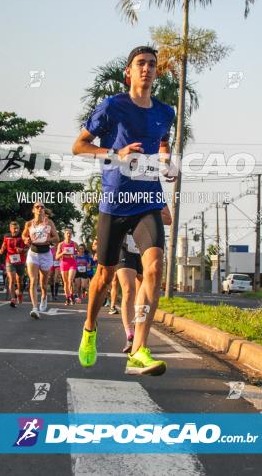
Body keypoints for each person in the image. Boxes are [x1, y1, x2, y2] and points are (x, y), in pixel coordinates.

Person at [72, 45, 177, 376]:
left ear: (156, 73)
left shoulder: (165, 112)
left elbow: (162, 142)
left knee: (155, 270)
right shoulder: (113, 106)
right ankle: (89, 329)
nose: (146, 69)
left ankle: (139, 349)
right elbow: (79, 146)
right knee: (103, 278)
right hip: (116, 200)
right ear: (128, 72)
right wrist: (114, 153)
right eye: (140, 64)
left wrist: (166, 161)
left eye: (151, 64)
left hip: (148, 200)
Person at [115, 205, 171, 353]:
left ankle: (138, 332)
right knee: (128, 290)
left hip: (144, 249)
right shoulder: (121, 188)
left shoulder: (152, 189)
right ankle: (130, 335)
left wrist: (148, 215)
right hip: (124, 247)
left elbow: (168, 218)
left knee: (142, 293)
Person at [22, 202, 60, 319]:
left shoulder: (49, 223)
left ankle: (44, 296)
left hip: (45, 254)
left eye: (42, 207)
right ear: (33, 210)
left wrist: (48, 240)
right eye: (37, 207)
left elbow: (57, 239)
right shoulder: (28, 224)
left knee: (43, 284)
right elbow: (23, 236)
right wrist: (26, 240)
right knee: (33, 280)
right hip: (33, 254)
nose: (40, 208)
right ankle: (34, 308)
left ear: (44, 210)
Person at [0, 221, 26, 307]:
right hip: (10, 260)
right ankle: (13, 299)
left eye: (17, 228)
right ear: (10, 229)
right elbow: (4, 244)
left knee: (20, 280)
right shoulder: (7, 236)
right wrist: (2, 249)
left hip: (21, 261)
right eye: (14, 228)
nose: (16, 230)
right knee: (12, 279)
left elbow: (28, 248)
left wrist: (22, 250)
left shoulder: (22, 236)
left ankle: (20, 293)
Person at [55, 229, 78, 305]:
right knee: (65, 282)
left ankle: (72, 295)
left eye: (70, 233)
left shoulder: (74, 244)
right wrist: (63, 253)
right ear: (64, 235)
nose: (69, 235)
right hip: (64, 264)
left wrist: (74, 255)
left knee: (70, 280)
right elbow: (56, 257)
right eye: (67, 233)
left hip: (72, 263)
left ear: (72, 235)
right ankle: (67, 298)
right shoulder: (61, 244)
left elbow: (78, 253)